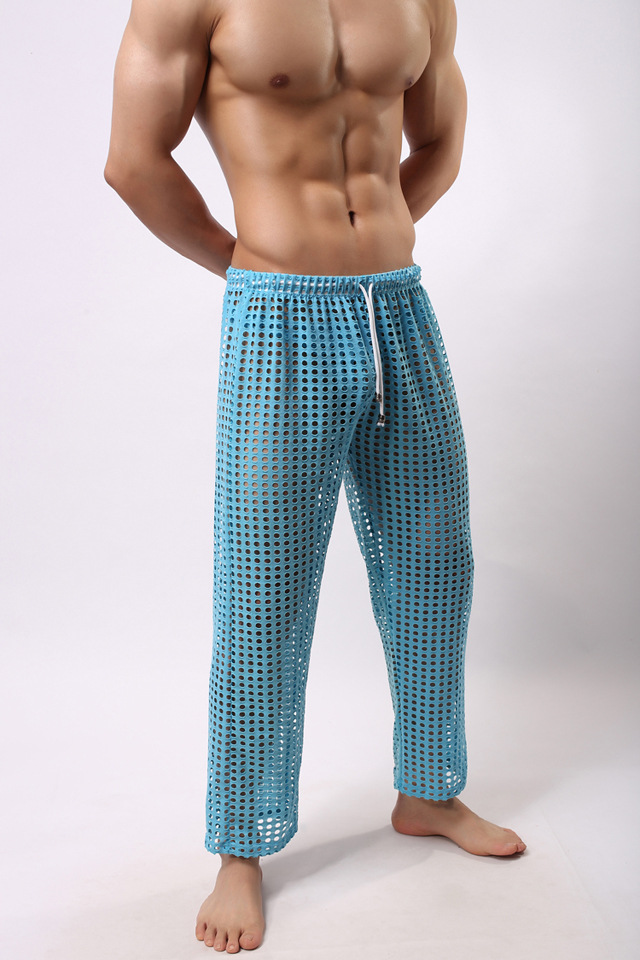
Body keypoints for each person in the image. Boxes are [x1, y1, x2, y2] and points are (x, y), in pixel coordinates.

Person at [105, 0, 526, 952]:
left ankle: (428, 790)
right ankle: (241, 846)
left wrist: (372, 235)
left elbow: (441, 142)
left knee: (435, 566)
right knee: (264, 589)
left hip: (398, 307)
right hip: (279, 315)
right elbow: (133, 160)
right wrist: (248, 264)